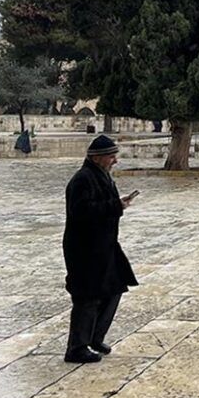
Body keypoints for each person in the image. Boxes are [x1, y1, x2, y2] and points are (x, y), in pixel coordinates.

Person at [63, 135, 138, 363]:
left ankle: (95, 337)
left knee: (113, 289)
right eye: (111, 156)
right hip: (85, 249)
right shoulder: (83, 179)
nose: (114, 161)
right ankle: (77, 348)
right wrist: (116, 205)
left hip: (104, 246)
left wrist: (118, 204)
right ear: (98, 158)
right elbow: (81, 212)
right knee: (87, 297)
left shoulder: (101, 175)